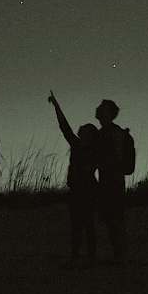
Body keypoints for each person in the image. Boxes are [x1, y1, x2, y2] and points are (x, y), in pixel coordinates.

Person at [48, 92, 98, 267]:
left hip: (89, 191)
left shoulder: (93, 151)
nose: (81, 130)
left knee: (88, 224)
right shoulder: (76, 145)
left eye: (85, 130)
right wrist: (56, 105)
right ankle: (76, 255)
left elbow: (65, 128)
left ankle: (91, 256)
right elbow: (64, 126)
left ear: (90, 135)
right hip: (76, 191)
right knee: (77, 225)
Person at [94, 99, 128, 263]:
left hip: (112, 182)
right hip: (109, 181)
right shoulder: (105, 133)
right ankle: (118, 254)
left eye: (101, 108)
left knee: (114, 219)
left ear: (107, 113)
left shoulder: (113, 133)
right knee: (111, 219)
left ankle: (120, 255)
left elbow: (117, 158)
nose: (97, 109)